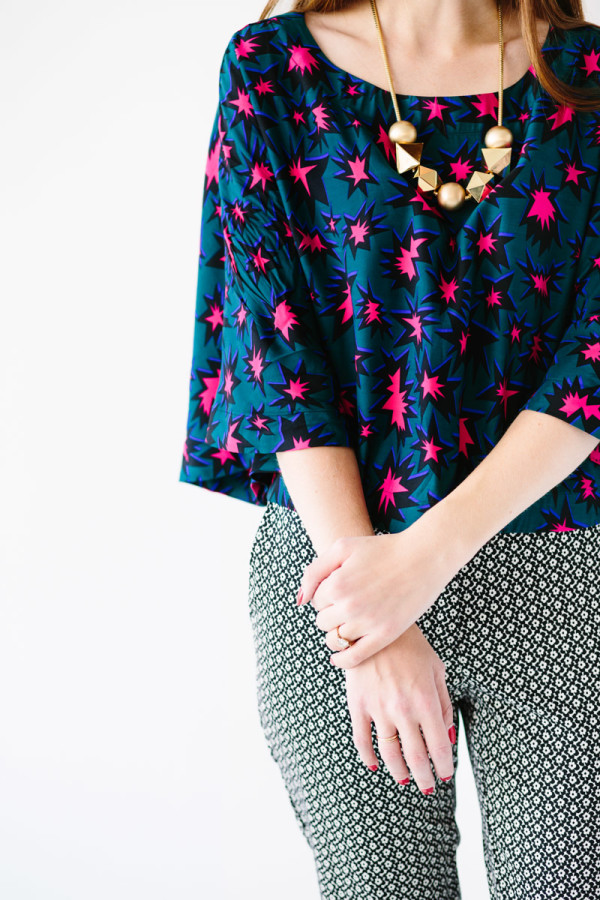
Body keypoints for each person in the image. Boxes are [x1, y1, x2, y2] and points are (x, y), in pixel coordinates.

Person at [179, 0, 600, 896]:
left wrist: (421, 566)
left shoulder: (587, 78)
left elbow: (594, 356)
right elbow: (273, 346)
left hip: (561, 568)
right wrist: (372, 614)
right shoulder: (271, 69)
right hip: (337, 562)